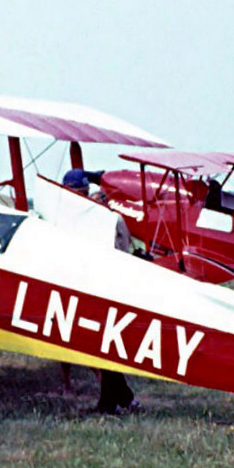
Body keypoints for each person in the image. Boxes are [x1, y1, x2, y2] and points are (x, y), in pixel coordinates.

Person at [59, 168, 139, 413]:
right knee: (99, 344)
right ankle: (121, 400)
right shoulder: (106, 217)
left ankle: (120, 400)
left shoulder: (97, 220)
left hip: (99, 287)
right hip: (98, 286)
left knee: (100, 344)